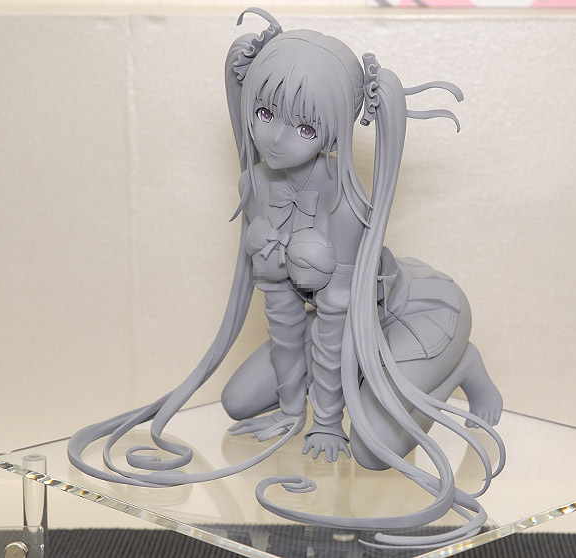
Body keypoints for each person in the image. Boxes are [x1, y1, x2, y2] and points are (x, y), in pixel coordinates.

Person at [69, 9, 505, 548]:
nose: (275, 138)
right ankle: (348, 390)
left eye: (304, 127)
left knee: (370, 452)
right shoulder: (257, 182)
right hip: (341, 325)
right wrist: (294, 412)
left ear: (333, 130)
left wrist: (325, 424)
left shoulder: (345, 204)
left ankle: (463, 364)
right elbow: (280, 301)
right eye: (265, 111)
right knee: (238, 402)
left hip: (403, 312)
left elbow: (335, 320)